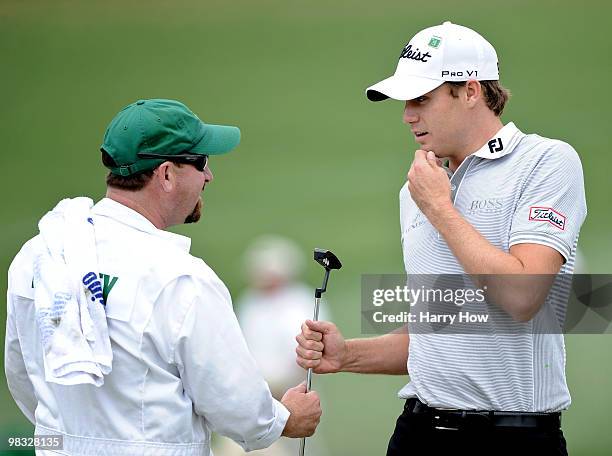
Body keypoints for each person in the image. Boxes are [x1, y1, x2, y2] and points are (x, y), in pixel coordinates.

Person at [296, 22, 586, 456]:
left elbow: (524, 296)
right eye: (405, 101)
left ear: (470, 91)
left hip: (516, 437)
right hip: (419, 431)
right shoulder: (418, 189)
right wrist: (347, 356)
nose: (408, 114)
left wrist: (440, 209)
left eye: (422, 99)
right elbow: (443, 328)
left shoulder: (546, 162)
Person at [5, 98, 321, 456]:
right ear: (167, 174)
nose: (208, 176)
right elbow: (240, 409)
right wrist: (287, 419)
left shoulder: (39, 254)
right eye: (201, 162)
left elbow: (23, 375)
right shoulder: (180, 278)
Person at [213, 235, 330, 456]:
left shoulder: (300, 302)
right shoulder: (250, 302)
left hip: (290, 392)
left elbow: (305, 356)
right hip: (252, 394)